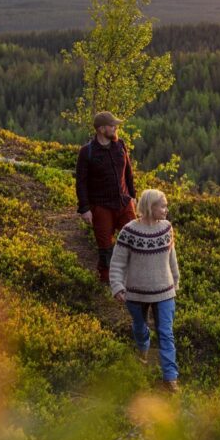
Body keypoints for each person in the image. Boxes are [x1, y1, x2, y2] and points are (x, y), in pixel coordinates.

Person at [109, 188, 181, 392]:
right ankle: (143, 351)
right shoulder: (129, 231)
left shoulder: (167, 228)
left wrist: (175, 280)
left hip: (164, 292)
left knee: (166, 333)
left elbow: (171, 256)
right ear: (150, 207)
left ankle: (170, 378)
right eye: (163, 206)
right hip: (136, 292)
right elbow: (118, 262)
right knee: (140, 329)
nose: (166, 210)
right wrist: (117, 286)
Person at [75, 111, 136, 285]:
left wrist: (133, 196)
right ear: (101, 129)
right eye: (112, 125)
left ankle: (133, 277)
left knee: (134, 241)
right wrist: (85, 208)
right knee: (105, 247)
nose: (116, 127)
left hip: (124, 203)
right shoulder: (87, 152)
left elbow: (128, 173)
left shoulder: (120, 145)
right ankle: (106, 282)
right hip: (101, 207)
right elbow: (81, 183)